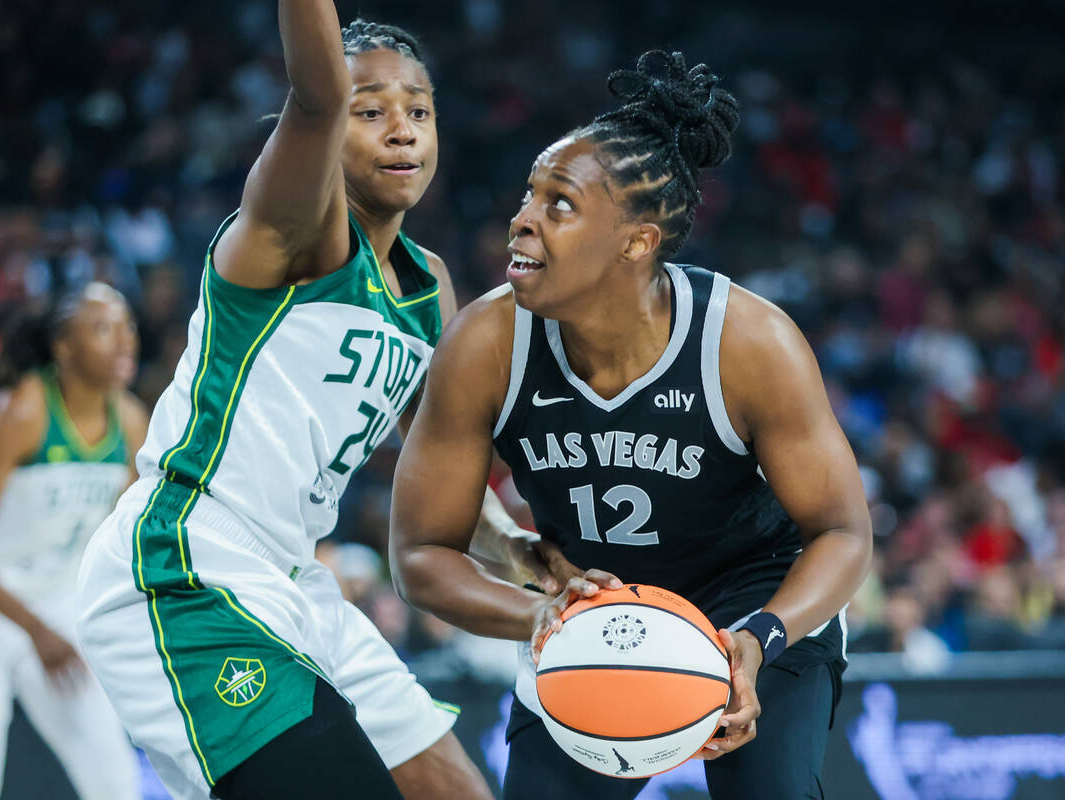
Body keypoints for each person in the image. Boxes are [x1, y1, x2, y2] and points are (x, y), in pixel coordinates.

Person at [74, 3, 568, 799]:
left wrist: (511, 545)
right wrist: (328, 91)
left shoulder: (428, 286)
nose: (401, 129)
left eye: (419, 112)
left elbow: (428, 462)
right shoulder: (292, 233)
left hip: (298, 582)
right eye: (370, 112)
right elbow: (314, 95)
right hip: (186, 568)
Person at [390, 50, 873, 799]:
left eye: (559, 205)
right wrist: (542, 616)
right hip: (593, 606)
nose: (520, 220)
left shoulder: (747, 343)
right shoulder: (485, 344)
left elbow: (844, 533)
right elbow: (421, 552)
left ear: (636, 241)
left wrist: (761, 637)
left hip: (749, 596)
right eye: (528, 196)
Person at [0, 282, 145, 800]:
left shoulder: (132, 420)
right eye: (101, 329)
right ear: (63, 349)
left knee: (115, 780)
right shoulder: (23, 411)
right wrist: (33, 629)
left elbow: (120, 540)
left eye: (127, 327)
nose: (123, 343)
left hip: (56, 607)